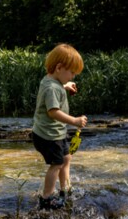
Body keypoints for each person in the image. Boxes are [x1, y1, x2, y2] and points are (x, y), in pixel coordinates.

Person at [32, 43, 88, 210]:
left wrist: (65, 86)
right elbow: (53, 112)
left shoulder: (51, 81)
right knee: (56, 164)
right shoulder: (51, 88)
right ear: (59, 68)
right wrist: (74, 121)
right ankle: (46, 198)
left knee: (66, 158)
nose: (73, 77)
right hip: (48, 136)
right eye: (71, 73)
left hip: (55, 133)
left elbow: (55, 86)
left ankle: (66, 189)